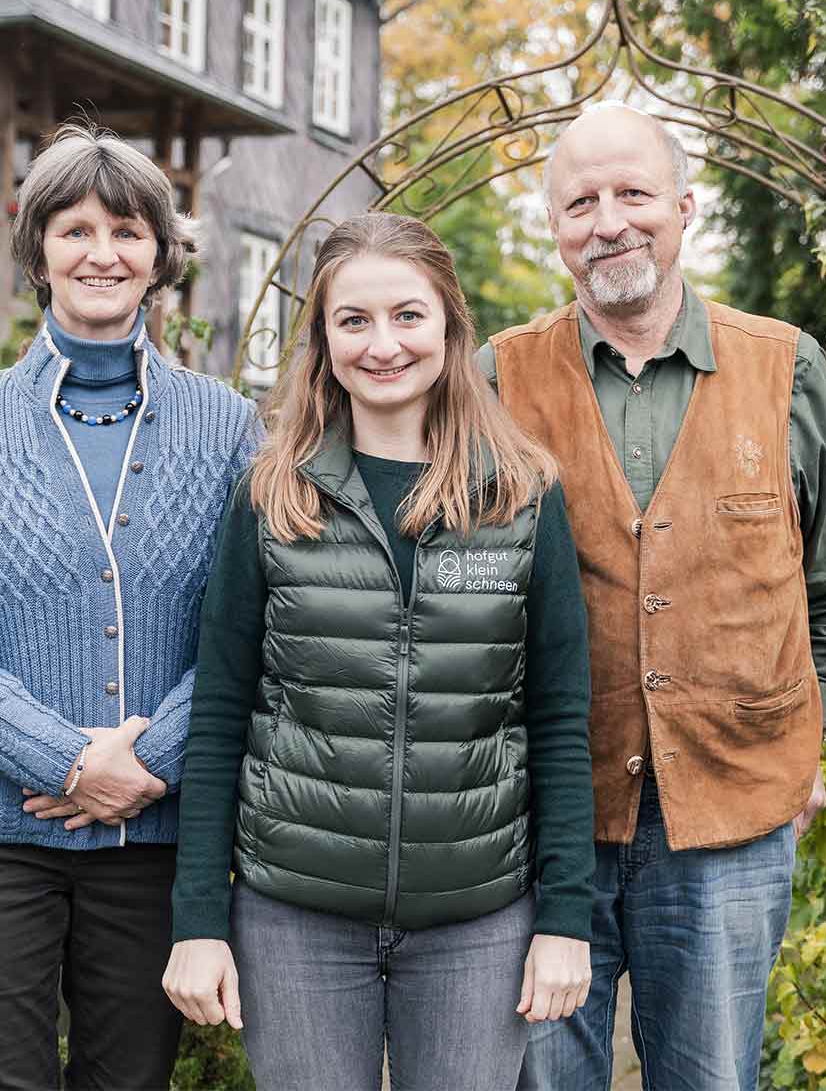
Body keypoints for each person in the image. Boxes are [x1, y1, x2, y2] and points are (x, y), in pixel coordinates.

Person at [477, 102, 826, 1091]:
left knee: (709, 1078)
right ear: (555, 229)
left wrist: (809, 738)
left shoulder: (784, 366)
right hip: (546, 812)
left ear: (686, 208)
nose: (608, 220)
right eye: (581, 202)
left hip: (731, 811)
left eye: (632, 194)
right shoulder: (500, 376)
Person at [161, 212, 597, 1091]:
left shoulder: (520, 495)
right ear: (323, 340)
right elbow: (219, 716)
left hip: (478, 923)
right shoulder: (273, 496)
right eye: (352, 321)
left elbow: (557, 719)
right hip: (296, 921)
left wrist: (565, 919)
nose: (383, 344)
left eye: (408, 315)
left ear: (449, 328)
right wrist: (198, 919)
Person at [0, 121, 259, 1090]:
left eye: (129, 231)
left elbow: (250, 628)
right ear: (38, 252)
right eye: (76, 230)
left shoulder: (227, 427)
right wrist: (68, 761)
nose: (103, 253)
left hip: (154, 839)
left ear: (162, 257)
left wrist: (142, 768)